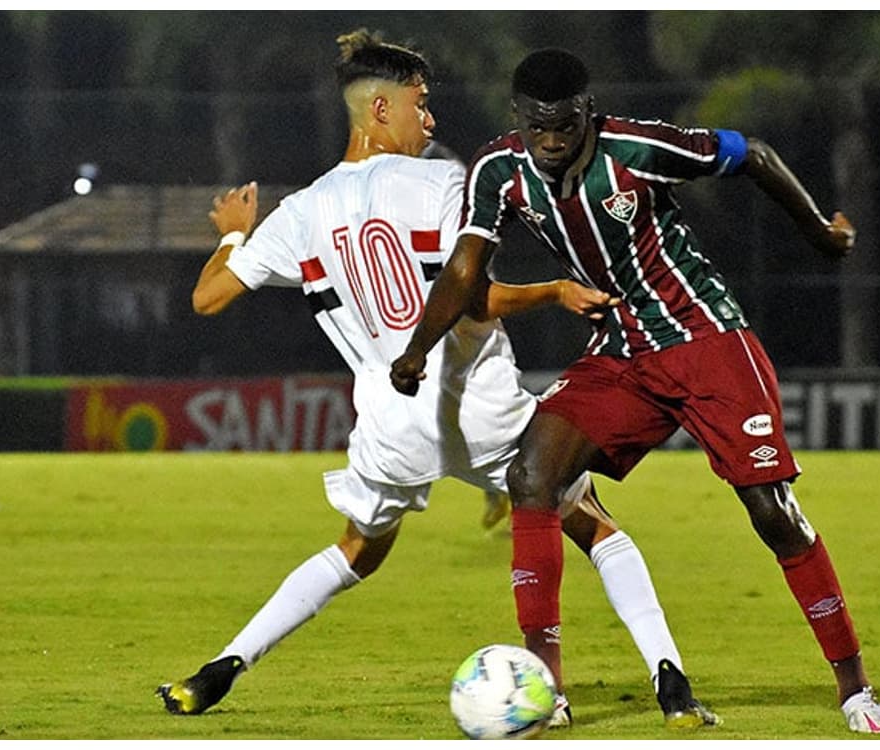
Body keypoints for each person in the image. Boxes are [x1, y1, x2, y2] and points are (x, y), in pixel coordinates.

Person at [157, 30, 717, 730]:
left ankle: (222, 669)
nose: (432, 119)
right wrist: (551, 292)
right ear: (381, 109)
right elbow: (472, 300)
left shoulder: (300, 211)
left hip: (391, 424)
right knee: (592, 522)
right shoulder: (447, 182)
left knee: (357, 550)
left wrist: (236, 232)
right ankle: (667, 682)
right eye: (421, 105)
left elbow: (206, 298)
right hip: (478, 404)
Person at [390, 47, 880, 735]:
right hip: (622, 352)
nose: (551, 140)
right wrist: (417, 349)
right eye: (538, 126)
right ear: (518, 118)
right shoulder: (497, 172)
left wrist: (816, 230)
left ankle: (856, 689)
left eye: (565, 126)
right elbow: (463, 269)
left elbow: (749, 152)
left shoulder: (637, 148)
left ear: (587, 114)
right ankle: (543, 688)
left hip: (706, 340)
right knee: (532, 474)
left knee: (771, 511)